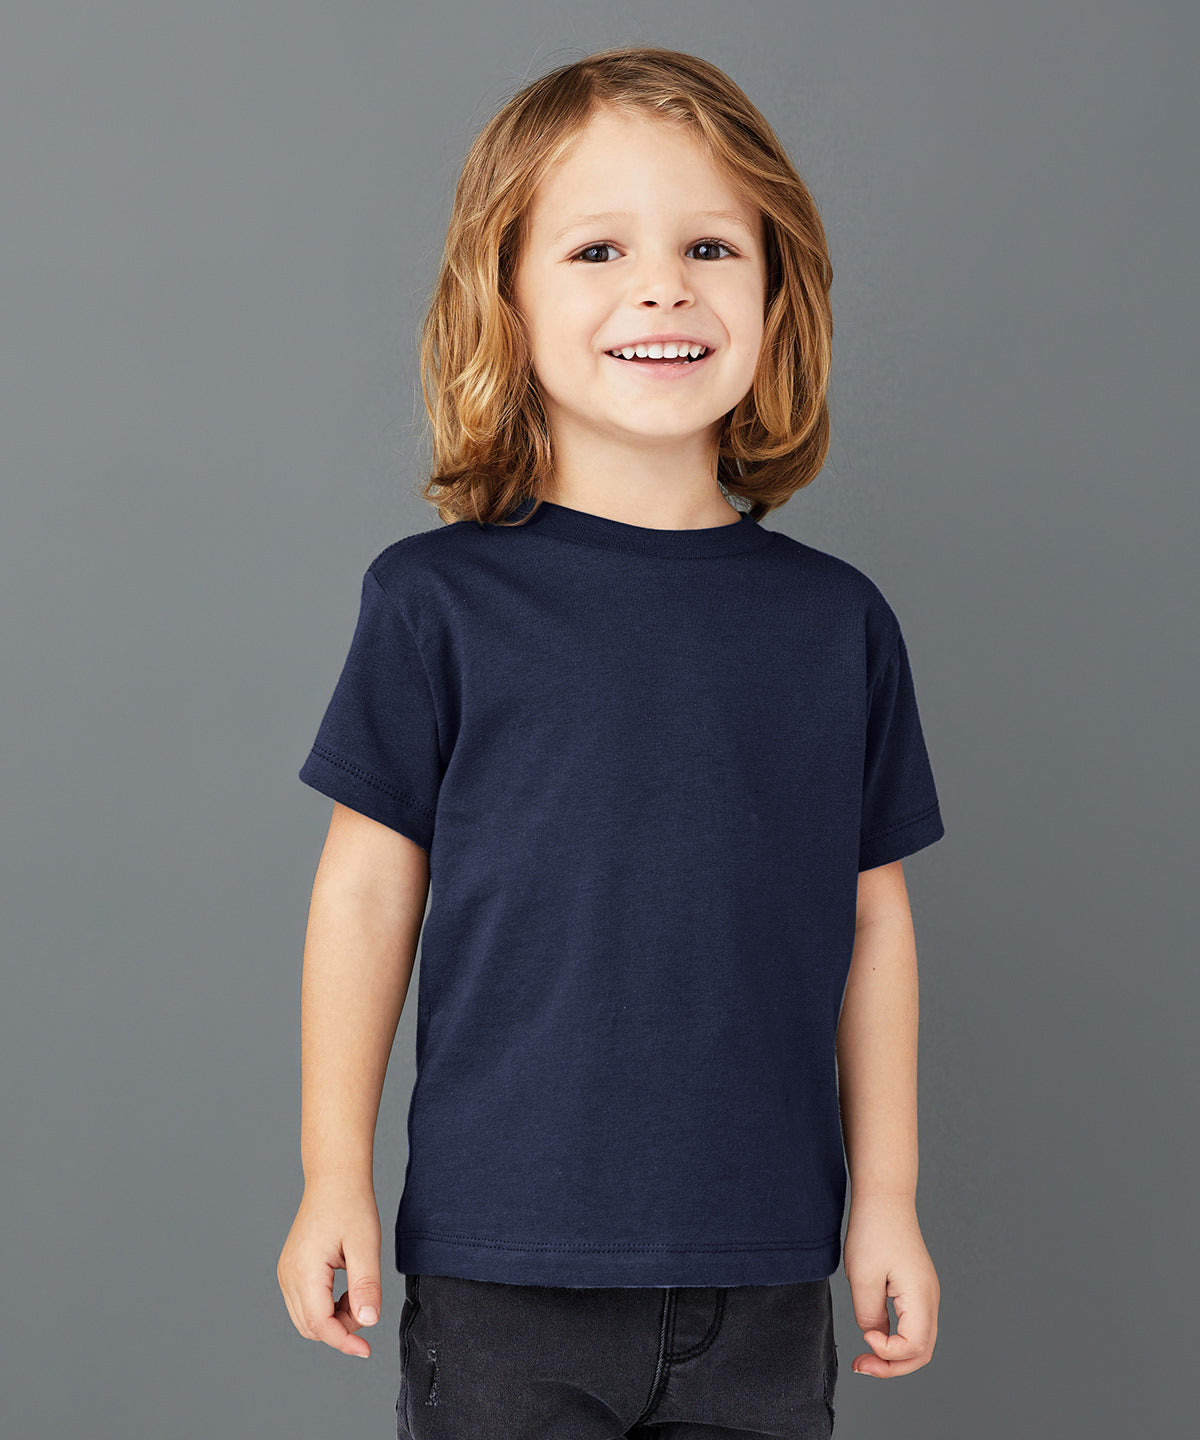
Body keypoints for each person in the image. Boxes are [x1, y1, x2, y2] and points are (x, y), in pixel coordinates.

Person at [277, 44, 946, 1440]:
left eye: (711, 247)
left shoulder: (838, 624)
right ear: (505, 296)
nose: (663, 288)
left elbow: (873, 917)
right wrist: (331, 1172)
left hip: (767, 1271)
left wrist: (886, 1199)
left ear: (777, 293)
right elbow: (365, 892)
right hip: (503, 1268)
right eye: (597, 250)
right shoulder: (436, 601)